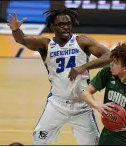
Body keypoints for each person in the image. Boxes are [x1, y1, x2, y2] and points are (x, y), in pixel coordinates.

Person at [7, 8, 111, 145]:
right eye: (61, 24)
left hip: (82, 105)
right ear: (53, 26)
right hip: (57, 104)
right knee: (39, 142)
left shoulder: (82, 41)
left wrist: (83, 67)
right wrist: (15, 30)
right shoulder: (46, 44)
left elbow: (109, 56)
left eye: (68, 23)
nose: (66, 27)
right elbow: (23, 39)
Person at [81, 43, 126, 145]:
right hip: (108, 127)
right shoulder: (108, 73)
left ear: (125, 69)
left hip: (125, 133)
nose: (111, 64)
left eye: (115, 62)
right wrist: (98, 105)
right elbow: (85, 93)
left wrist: (123, 123)